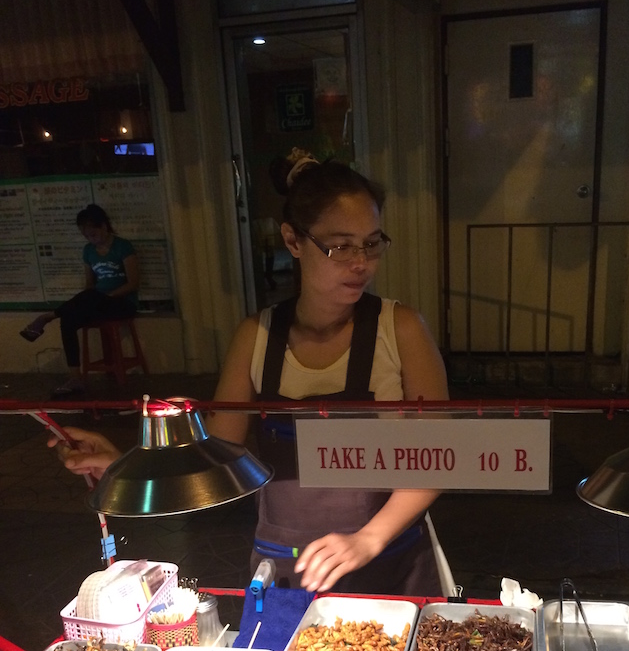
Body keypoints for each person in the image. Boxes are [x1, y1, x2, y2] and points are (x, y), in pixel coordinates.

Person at [52, 154, 450, 596]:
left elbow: (439, 457)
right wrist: (122, 465)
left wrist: (368, 539)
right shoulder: (256, 337)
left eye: (371, 243)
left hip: (391, 560)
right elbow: (218, 460)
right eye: (340, 246)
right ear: (293, 240)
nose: (361, 263)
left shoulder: (402, 330)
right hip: (286, 565)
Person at [21, 203, 140, 396]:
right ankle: (76, 378)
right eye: (87, 236)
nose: (91, 239)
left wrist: (105, 297)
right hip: (97, 301)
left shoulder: (122, 246)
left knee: (91, 297)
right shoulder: (88, 251)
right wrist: (92, 300)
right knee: (68, 320)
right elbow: (89, 284)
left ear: (104, 226)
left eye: (93, 234)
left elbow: (133, 283)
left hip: (122, 302)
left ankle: (47, 317)